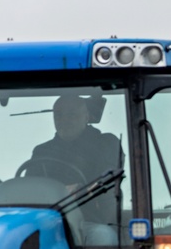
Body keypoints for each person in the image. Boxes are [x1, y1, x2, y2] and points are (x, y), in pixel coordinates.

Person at [25, 95, 123, 231]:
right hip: (49, 222)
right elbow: (30, 186)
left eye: (71, 114)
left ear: (86, 117)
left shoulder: (107, 143)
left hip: (93, 220)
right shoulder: (42, 151)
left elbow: (108, 177)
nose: (64, 120)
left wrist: (81, 188)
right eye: (58, 115)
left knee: (101, 236)